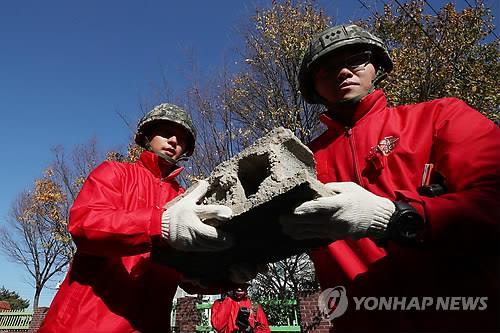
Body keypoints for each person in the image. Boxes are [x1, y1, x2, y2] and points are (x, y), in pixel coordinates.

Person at [281, 24, 500, 332]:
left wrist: (397, 217)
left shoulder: (441, 116)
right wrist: (210, 263)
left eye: (356, 58)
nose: (343, 71)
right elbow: (257, 240)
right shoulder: (299, 163)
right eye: (326, 69)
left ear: (377, 67)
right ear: (313, 88)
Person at [38, 103, 236, 333]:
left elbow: (186, 275)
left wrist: (227, 278)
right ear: (147, 137)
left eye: (182, 139)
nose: (173, 141)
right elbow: (85, 224)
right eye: (165, 131)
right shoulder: (114, 173)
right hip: (84, 324)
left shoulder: (187, 201)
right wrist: (159, 224)